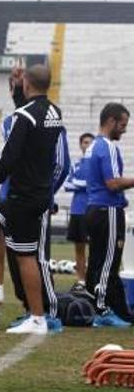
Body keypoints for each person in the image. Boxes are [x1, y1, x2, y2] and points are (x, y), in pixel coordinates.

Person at [0, 68, 69, 332]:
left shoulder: (23, 115)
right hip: (39, 192)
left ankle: (38, 317)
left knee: (25, 256)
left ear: (27, 83)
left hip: (23, 195)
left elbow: (11, 157)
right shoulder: (54, 113)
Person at [83, 103, 134, 327]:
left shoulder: (92, 146)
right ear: (111, 121)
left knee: (96, 260)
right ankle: (103, 310)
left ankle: (96, 305)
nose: (124, 130)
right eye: (122, 125)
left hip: (94, 208)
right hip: (108, 210)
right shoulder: (108, 147)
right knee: (109, 262)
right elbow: (112, 183)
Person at [63, 132, 95, 293]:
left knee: (95, 248)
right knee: (79, 249)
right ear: (80, 145)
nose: (87, 145)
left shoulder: (96, 164)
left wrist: (78, 183)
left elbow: (91, 184)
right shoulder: (75, 165)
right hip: (77, 210)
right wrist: (82, 184)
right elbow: (67, 186)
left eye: (90, 142)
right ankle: (81, 280)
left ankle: (93, 281)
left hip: (92, 210)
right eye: (84, 142)